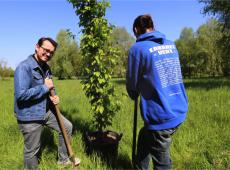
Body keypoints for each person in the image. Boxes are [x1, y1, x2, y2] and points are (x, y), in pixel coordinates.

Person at [126, 15, 188, 170]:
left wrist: (133, 93)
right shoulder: (171, 45)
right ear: (153, 26)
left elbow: (132, 84)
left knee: (162, 162)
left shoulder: (137, 49)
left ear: (135, 30)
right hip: (179, 108)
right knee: (144, 137)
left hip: (160, 116)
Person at [14, 37, 80, 169]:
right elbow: (21, 95)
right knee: (32, 150)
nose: (48, 54)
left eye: (51, 52)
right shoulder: (24, 67)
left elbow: (50, 87)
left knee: (66, 127)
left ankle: (63, 161)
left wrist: (54, 97)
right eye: (46, 50)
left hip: (44, 110)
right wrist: (44, 87)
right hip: (29, 115)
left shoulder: (46, 67)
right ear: (37, 47)